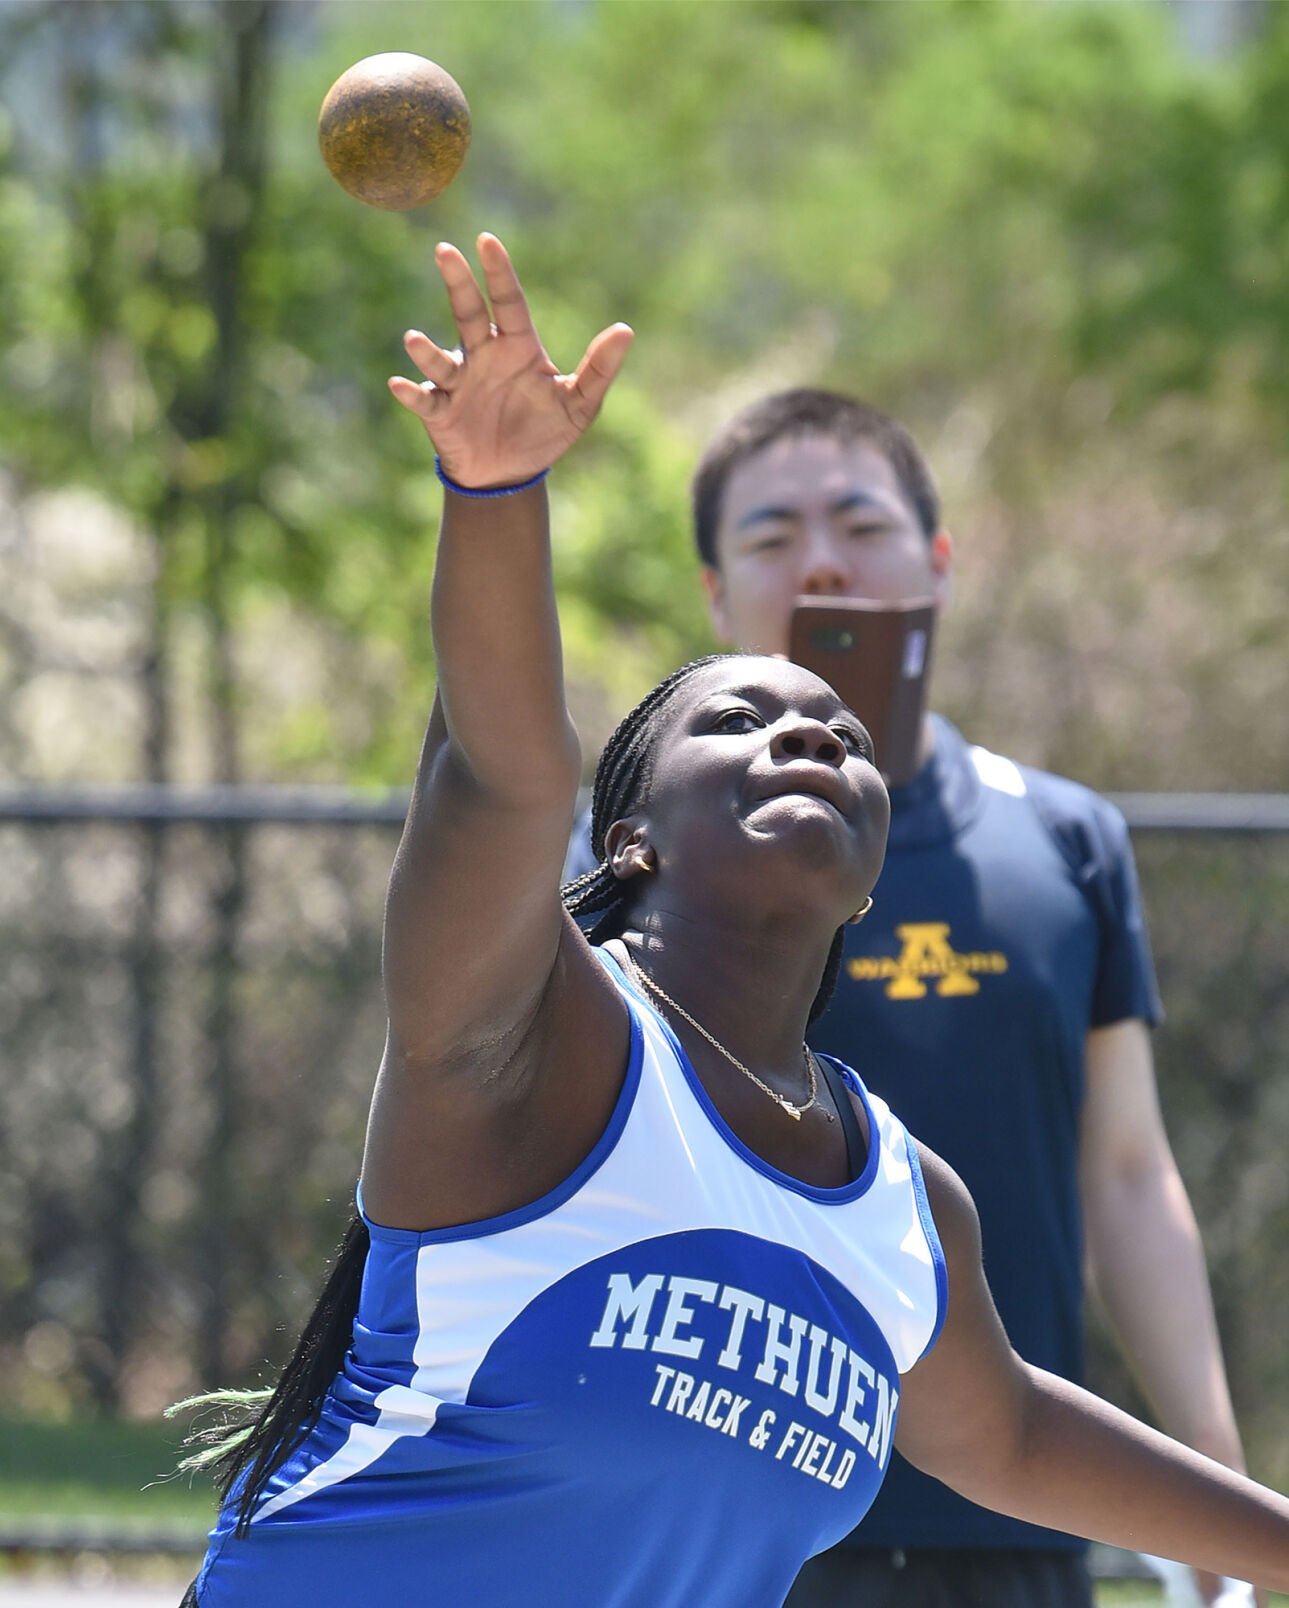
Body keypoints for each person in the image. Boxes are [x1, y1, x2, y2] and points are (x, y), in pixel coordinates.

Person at [177, 237, 1289, 1608]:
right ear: (630, 831)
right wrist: (497, 486)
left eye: (836, 735)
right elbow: (507, 771)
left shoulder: (900, 1202)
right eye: (743, 722)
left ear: (870, 874)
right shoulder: (540, 1031)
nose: (809, 737)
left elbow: (1003, 1433)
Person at [570, 387, 1253, 1608]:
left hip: (1019, 1509)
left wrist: (1205, 1458)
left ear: (934, 565)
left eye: (860, 524)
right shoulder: (649, 859)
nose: (822, 563)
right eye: (772, 538)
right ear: (717, 597)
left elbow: (1128, 1173)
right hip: (734, 1508)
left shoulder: (1064, 838)